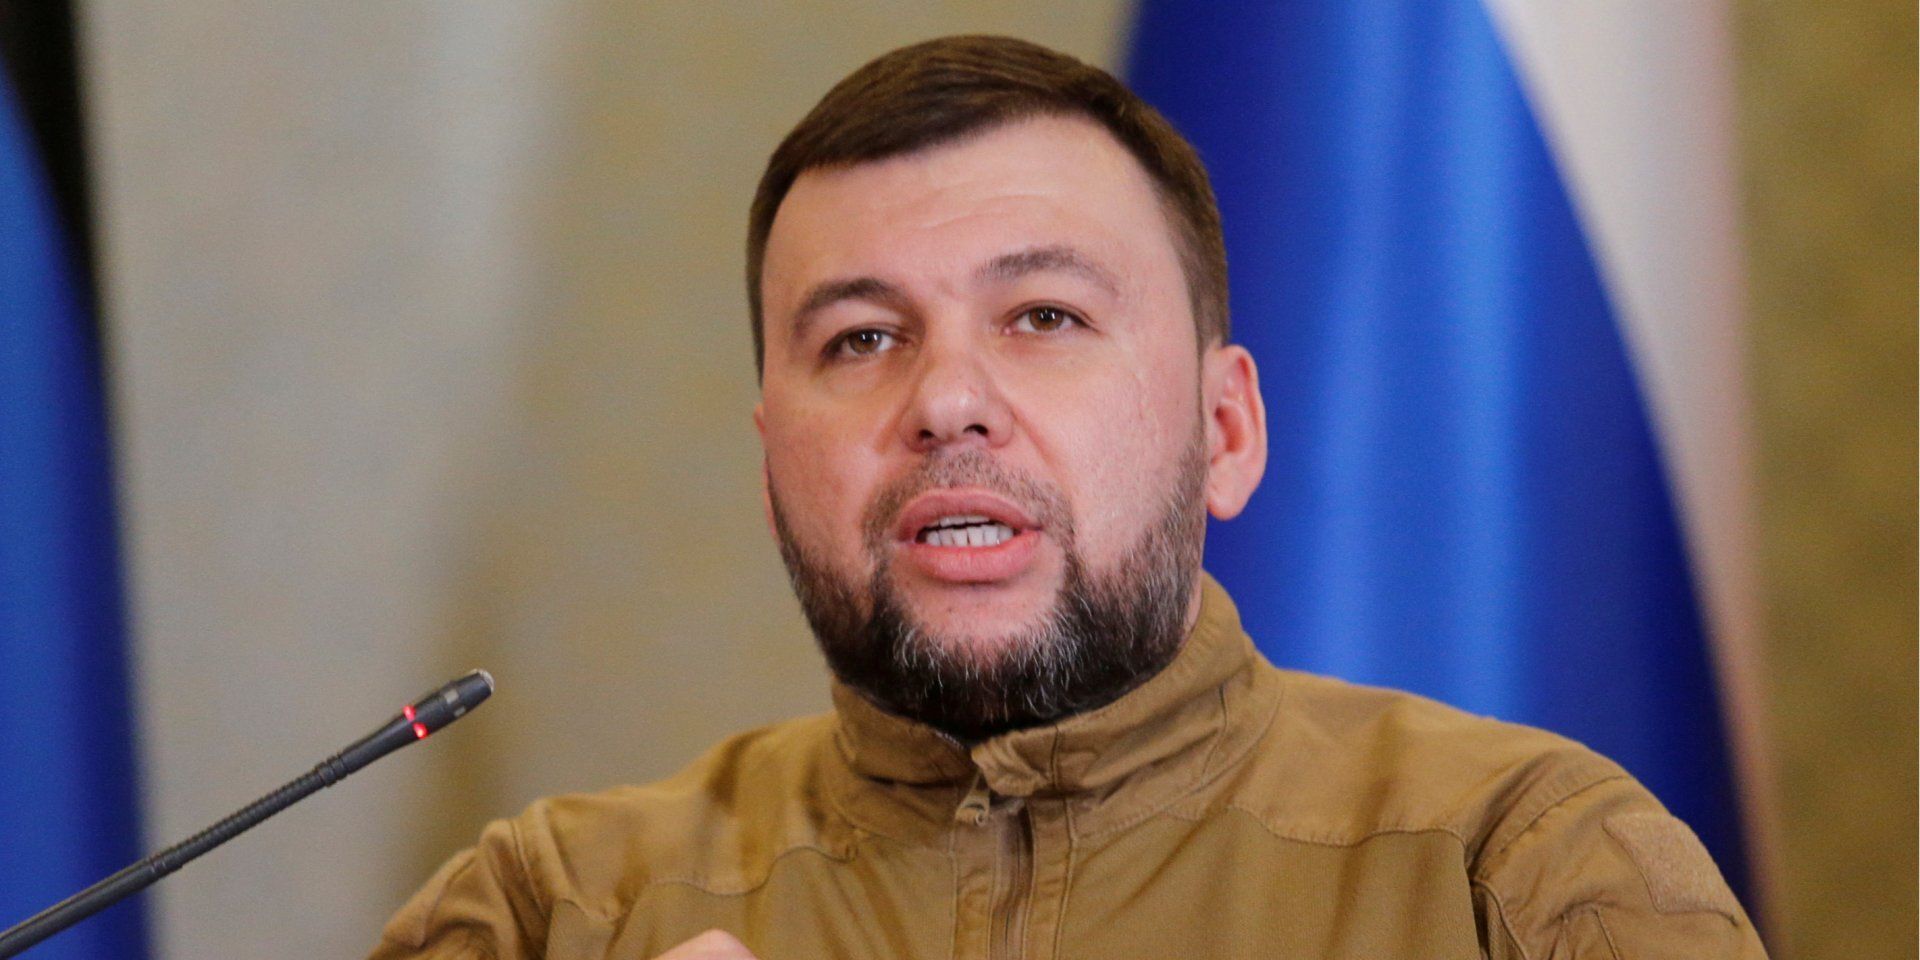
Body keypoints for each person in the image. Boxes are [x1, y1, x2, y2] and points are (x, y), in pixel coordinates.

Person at [368, 35, 1767, 960]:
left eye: (1043, 316)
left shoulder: (1524, 873)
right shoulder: (553, 912)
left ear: (1226, 430)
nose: (945, 398)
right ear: (773, 467)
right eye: (860, 338)